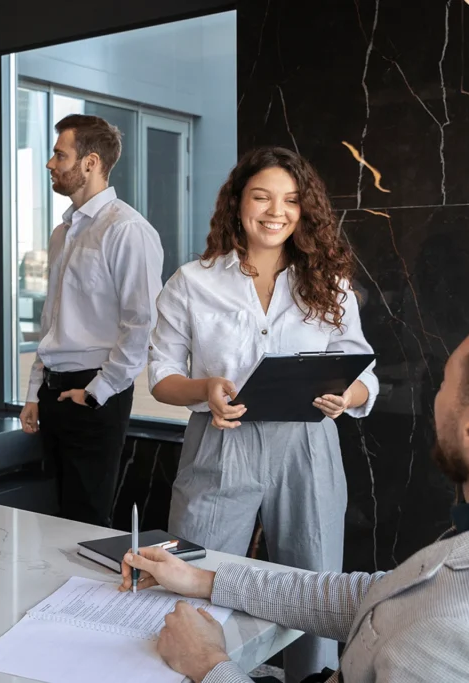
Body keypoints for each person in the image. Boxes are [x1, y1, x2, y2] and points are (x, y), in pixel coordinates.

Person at [121, 311, 469, 683]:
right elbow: (382, 594)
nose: (435, 398)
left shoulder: (459, 633)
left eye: (442, 383)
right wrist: (204, 580)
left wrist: (208, 663)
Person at [147, 147, 378, 681]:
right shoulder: (192, 281)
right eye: (262, 196)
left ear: (305, 211)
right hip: (220, 442)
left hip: (307, 446)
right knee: (193, 576)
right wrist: (205, 388)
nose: (277, 211)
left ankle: (312, 679)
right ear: (237, 203)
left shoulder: (329, 281)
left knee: (315, 585)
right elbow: (161, 378)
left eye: (292, 200)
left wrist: (348, 397)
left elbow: (365, 373)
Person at [19, 114, 163, 527]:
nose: (50, 163)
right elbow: (53, 322)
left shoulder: (127, 230)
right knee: (56, 520)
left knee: (86, 521)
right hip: (53, 393)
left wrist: (97, 392)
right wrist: (34, 392)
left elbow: (142, 325)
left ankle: (89, 595)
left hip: (94, 393)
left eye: (59, 154)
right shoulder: (62, 232)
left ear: (90, 162)